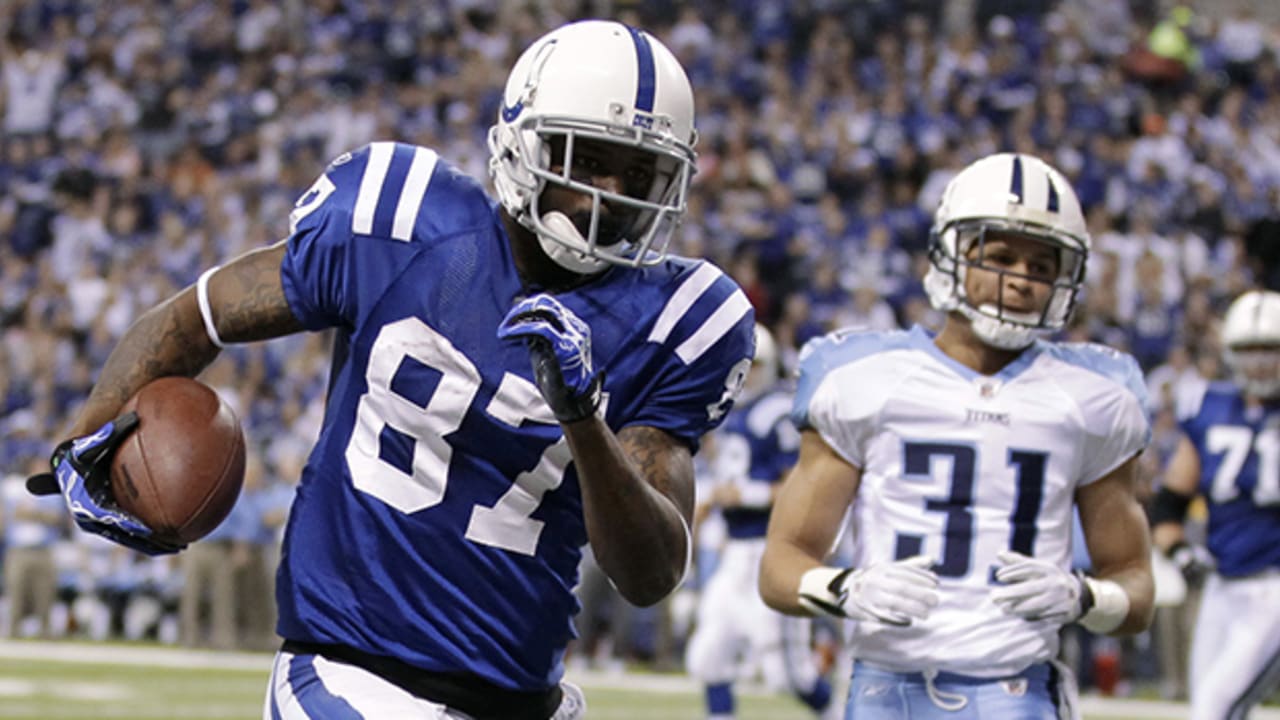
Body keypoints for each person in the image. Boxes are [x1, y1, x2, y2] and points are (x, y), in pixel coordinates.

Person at [26, 20, 754, 720]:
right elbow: (194, 318)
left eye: (641, 173)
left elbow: (649, 574)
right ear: (522, 144)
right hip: (351, 670)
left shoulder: (683, 317)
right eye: (586, 160)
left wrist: (582, 416)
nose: (612, 197)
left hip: (527, 695)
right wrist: (76, 453)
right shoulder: (398, 221)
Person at [759, 152, 1155, 718]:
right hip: (886, 689)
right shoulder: (861, 378)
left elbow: (1136, 588)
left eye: (1042, 267)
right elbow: (780, 566)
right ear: (950, 254)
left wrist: (1083, 595)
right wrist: (846, 589)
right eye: (1001, 257)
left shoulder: (1096, 395)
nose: (1020, 281)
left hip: (1019, 689)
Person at [685, 325, 836, 720]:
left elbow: (801, 488)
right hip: (733, 552)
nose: (744, 374)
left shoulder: (779, 411)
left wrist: (745, 495)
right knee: (709, 656)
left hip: (769, 553)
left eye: (754, 366)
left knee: (788, 675)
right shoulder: (729, 413)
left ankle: (836, 713)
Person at [1152, 288, 1280, 720]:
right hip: (1223, 583)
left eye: (1271, 350)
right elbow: (1169, 503)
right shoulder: (1210, 407)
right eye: (1250, 350)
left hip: (1275, 584)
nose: (1260, 362)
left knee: (1218, 705)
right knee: (1206, 707)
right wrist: (1180, 552)